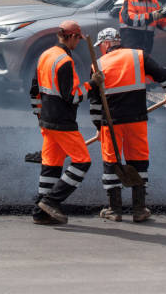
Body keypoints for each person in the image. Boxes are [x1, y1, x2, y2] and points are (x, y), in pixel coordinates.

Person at [89, 27, 166, 222]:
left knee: (111, 163)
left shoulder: (98, 64)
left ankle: (114, 210)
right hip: (137, 119)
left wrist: (98, 127)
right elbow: (165, 76)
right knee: (138, 161)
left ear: (105, 44)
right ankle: (139, 209)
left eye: (100, 46)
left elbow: (94, 102)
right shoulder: (138, 56)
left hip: (110, 123)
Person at [29, 20, 104, 225]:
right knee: (82, 162)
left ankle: (40, 212)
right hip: (62, 121)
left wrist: (40, 118)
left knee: (51, 166)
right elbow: (72, 96)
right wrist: (93, 84)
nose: (78, 43)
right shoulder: (64, 61)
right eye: (77, 39)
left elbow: (35, 90)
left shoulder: (45, 55)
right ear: (70, 36)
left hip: (47, 120)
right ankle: (52, 201)